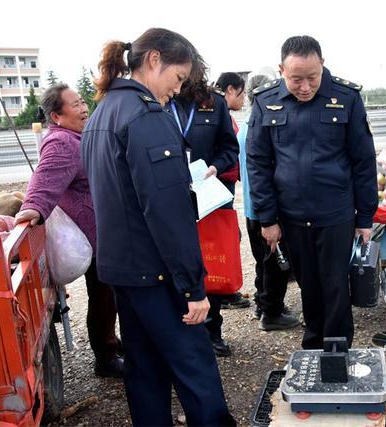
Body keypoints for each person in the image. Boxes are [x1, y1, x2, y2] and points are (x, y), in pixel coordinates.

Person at [80, 28, 235, 426]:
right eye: (178, 77)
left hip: (123, 270)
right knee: (194, 368)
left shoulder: (101, 112)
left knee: (145, 370)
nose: (176, 89)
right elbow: (166, 212)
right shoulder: (146, 117)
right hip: (158, 272)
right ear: (153, 60)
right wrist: (192, 287)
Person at [246, 35, 378, 349]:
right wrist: (267, 218)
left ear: (322, 66)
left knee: (335, 286)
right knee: (307, 285)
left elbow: (363, 160)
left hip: (335, 214)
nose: (305, 87)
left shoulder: (346, 97)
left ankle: (337, 349)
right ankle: (314, 345)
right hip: (291, 215)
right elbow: (257, 163)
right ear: (281, 71)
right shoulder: (266, 101)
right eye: (296, 79)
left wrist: (365, 216)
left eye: (312, 77)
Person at [15, 84, 124, 378]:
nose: (84, 107)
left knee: (108, 294)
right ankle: (106, 356)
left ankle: (111, 343)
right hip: (91, 236)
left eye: (82, 101)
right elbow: (44, 179)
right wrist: (33, 208)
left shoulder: (76, 136)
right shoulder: (62, 142)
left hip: (101, 231)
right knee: (103, 295)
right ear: (57, 116)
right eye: (75, 104)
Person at [168, 68, 241, 357]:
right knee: (176, 258)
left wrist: (215, 167)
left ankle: (212, 330)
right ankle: (180, 330)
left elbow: (229, 148)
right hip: (171, 196)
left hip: (210, 194)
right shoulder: (159, 100)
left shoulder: (214, 103)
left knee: (211, 260)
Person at [237, 73, 300, 331]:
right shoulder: (263, 127)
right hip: (267, 210)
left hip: (254, 209)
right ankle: (271, 312)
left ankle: (263, 305)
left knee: (264, 260)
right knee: (274, 262)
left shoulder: (245, 127)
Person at [212, 72, 252, 312]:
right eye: (241, 93)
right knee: (221, 241)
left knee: (230, 238)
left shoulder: (223, 115)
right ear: (229, 90)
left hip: (225, 186)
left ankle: (226, 288)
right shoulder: (215, 117)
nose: (244, 98)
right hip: (217, 187)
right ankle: (222, 289)